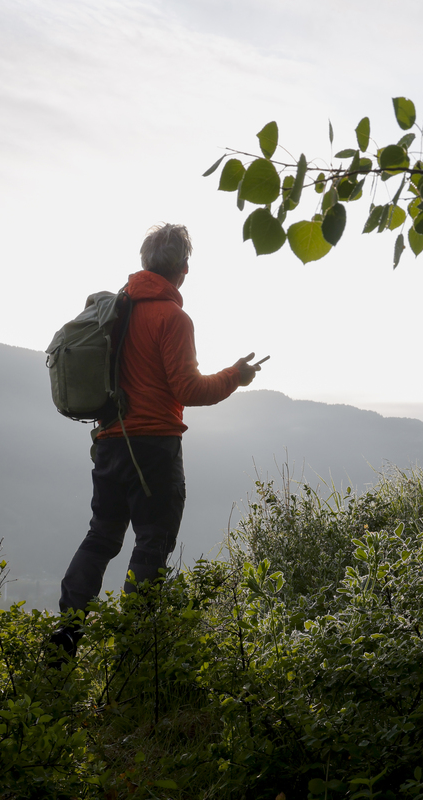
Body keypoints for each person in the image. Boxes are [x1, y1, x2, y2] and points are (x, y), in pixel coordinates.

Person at [50, 223, 261, 659]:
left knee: (101, 536)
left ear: (145, 262)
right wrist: (235, 376)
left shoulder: (116, 311)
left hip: (109, 442)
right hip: (154, 449)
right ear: (184, 269)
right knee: (152, 540)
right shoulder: (172, 318)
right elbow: (189, 390)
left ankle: (66, 635)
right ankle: (134, 647)